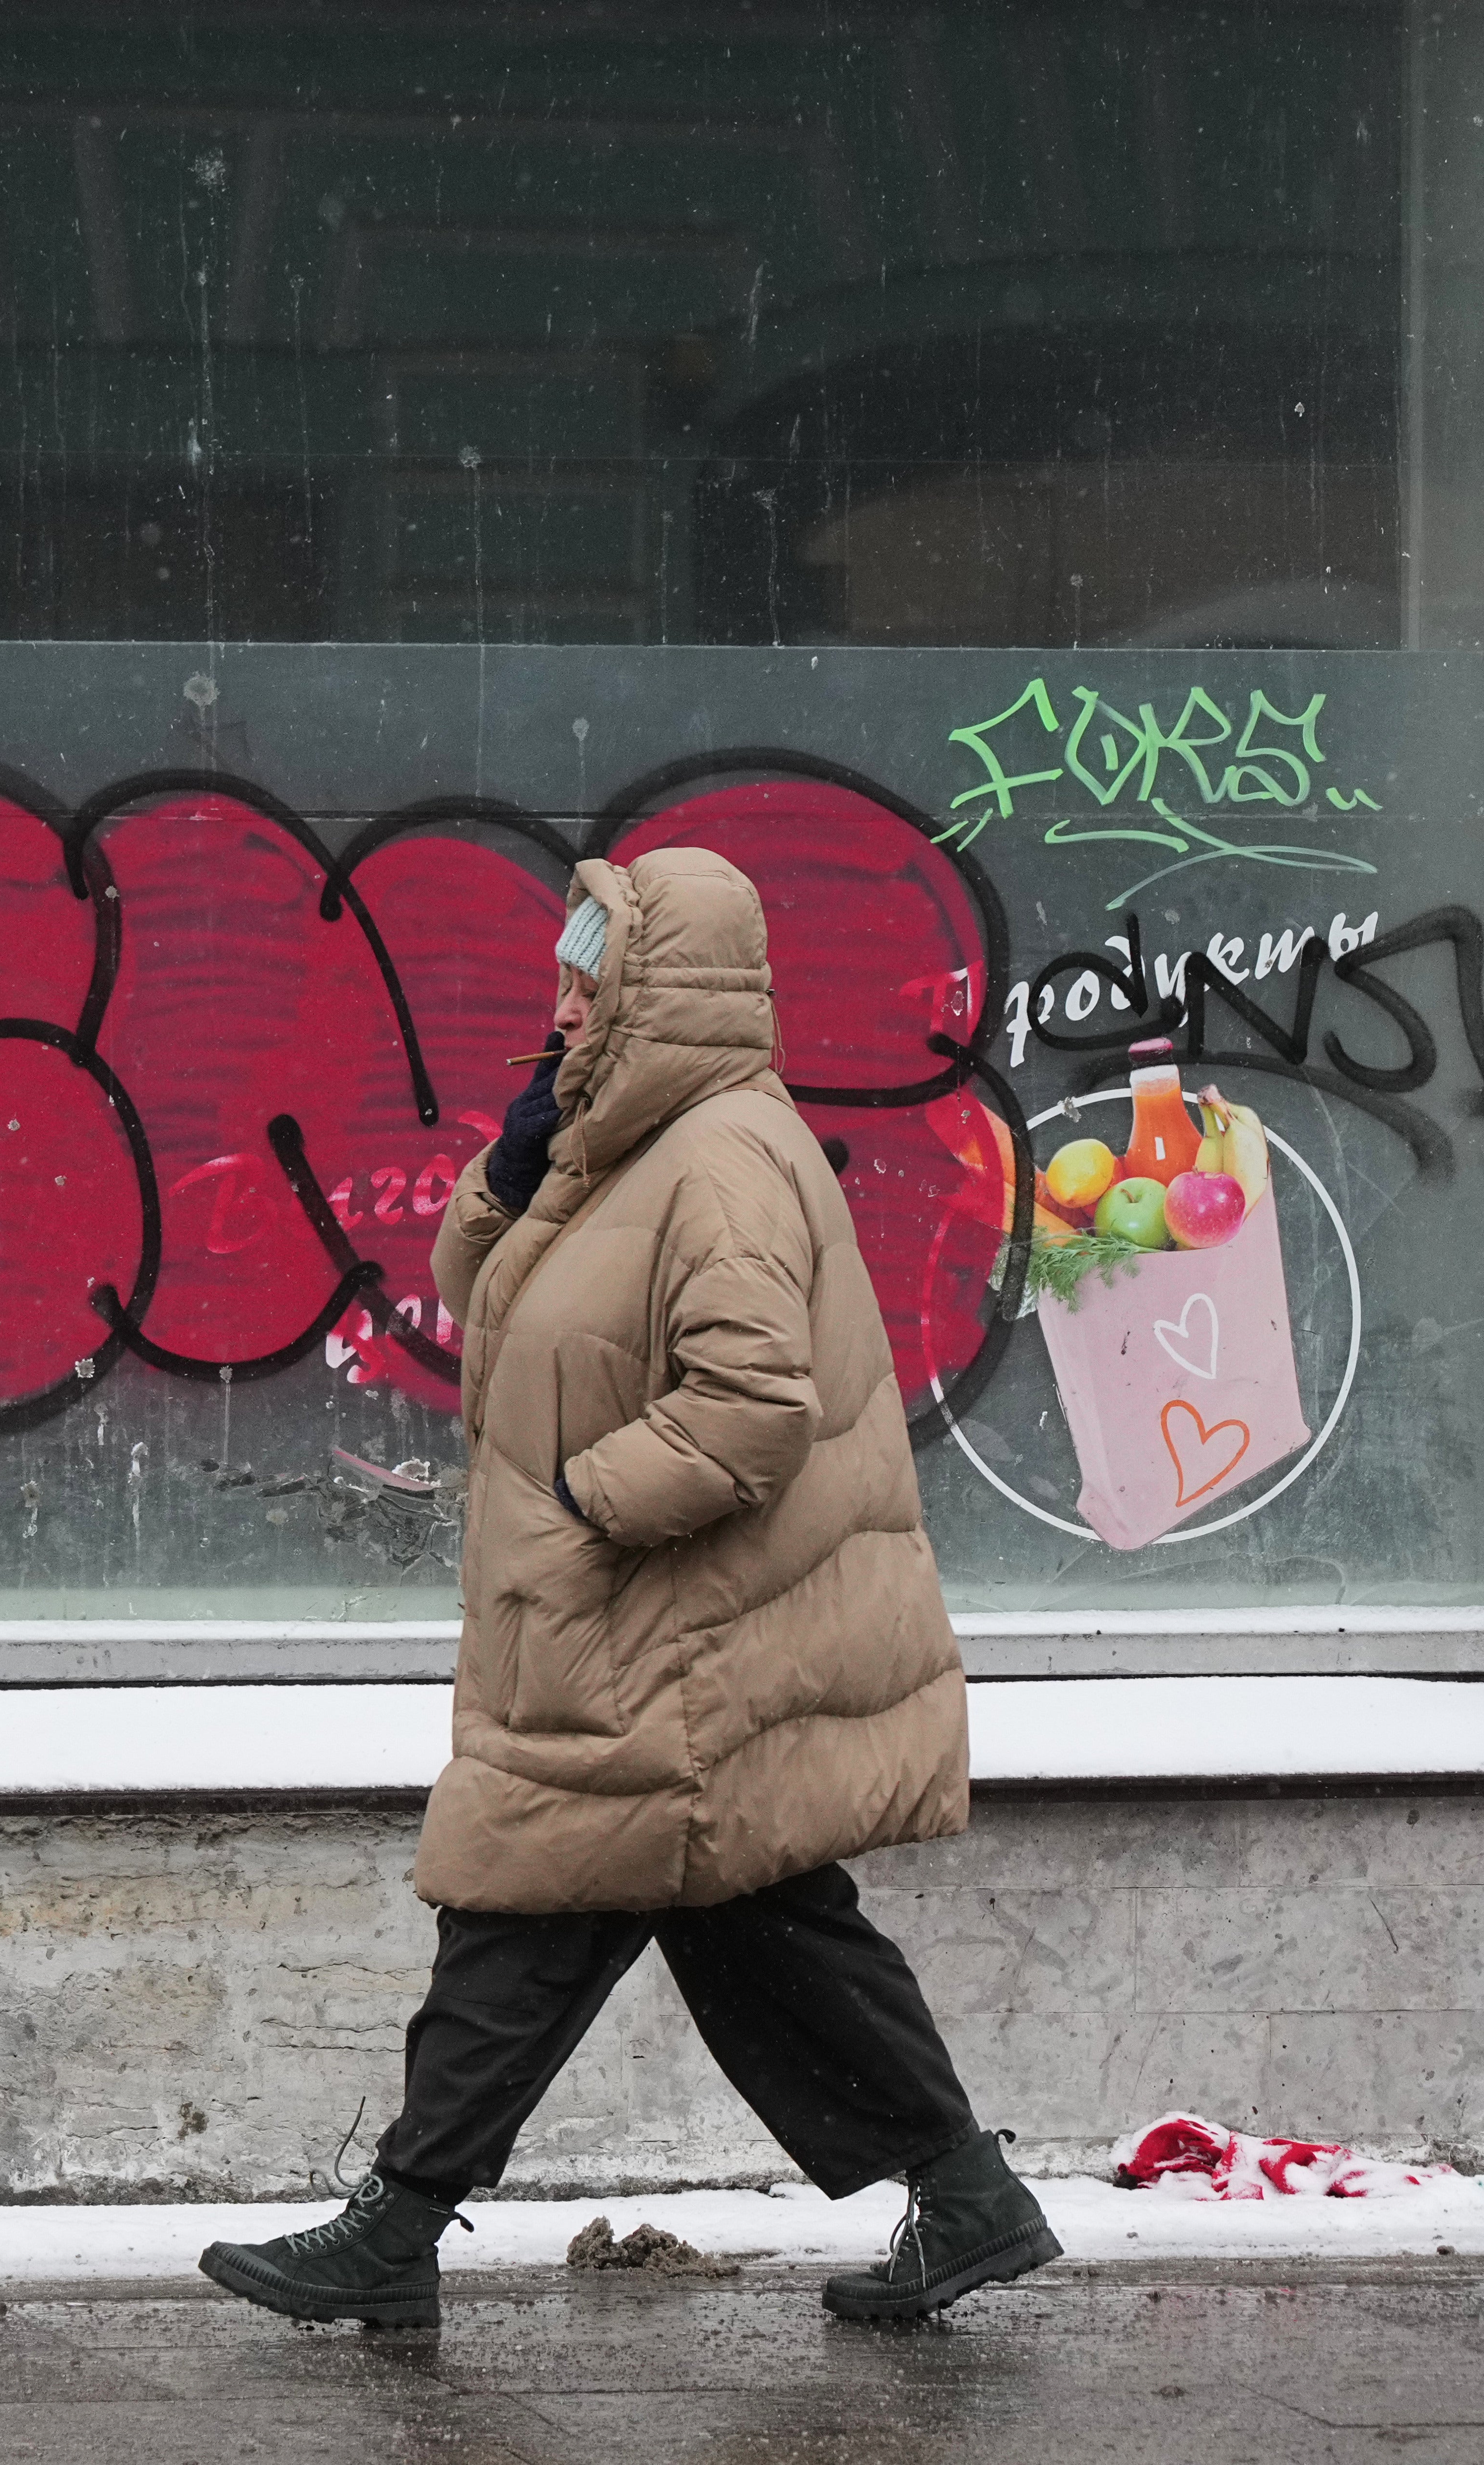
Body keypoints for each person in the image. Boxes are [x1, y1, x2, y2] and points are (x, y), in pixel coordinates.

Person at [199, 844, 1055, 2331]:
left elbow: (749, 1404)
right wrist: (514, 1170)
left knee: (515, 1901)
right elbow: (483, 1298)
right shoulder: (625, 1143)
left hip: (664, 1638)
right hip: (646, 1634)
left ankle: (394, 2224)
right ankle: (966, 2191)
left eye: (592, 970)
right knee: (763, 1929)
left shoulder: (721, 1155)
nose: (566, 997)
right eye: (565, 966)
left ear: (665, 987)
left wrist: (586, 1509)